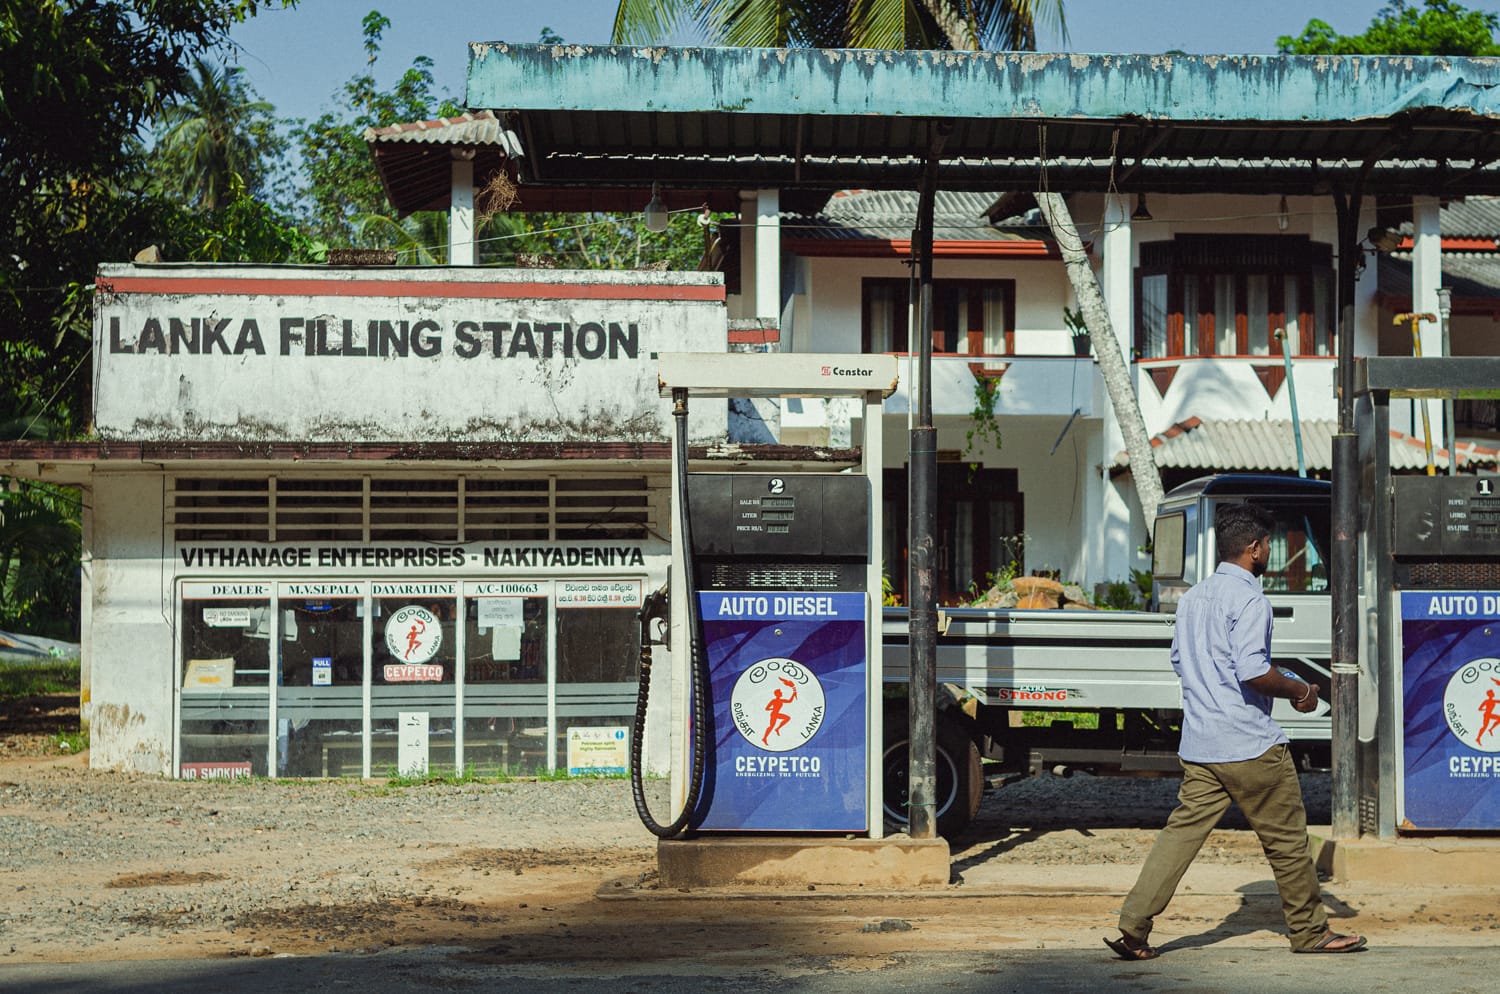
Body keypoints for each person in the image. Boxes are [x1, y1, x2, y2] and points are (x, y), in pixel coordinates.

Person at [1105, 502, 1367, 960]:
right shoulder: (1250, 599)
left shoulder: (1193, 598)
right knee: (1287, 842)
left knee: (1179, 838)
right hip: (1249, 744)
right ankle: (1309, 932)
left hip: (1202, 744)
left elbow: (1180, 663)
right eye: (1268, 544)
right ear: (1253, 549)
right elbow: (1251, 671)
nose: (1270, 551)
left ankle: (1133, 927)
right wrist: (1299, 688)